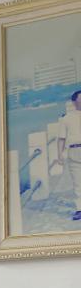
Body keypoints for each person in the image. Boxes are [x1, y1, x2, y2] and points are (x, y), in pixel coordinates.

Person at [54, 90, 81, 222]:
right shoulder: (66, 119)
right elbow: (61, 139)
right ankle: (80, 209)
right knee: (78, 182)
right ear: (74, 102)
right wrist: (59, 155)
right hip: (74, 151)